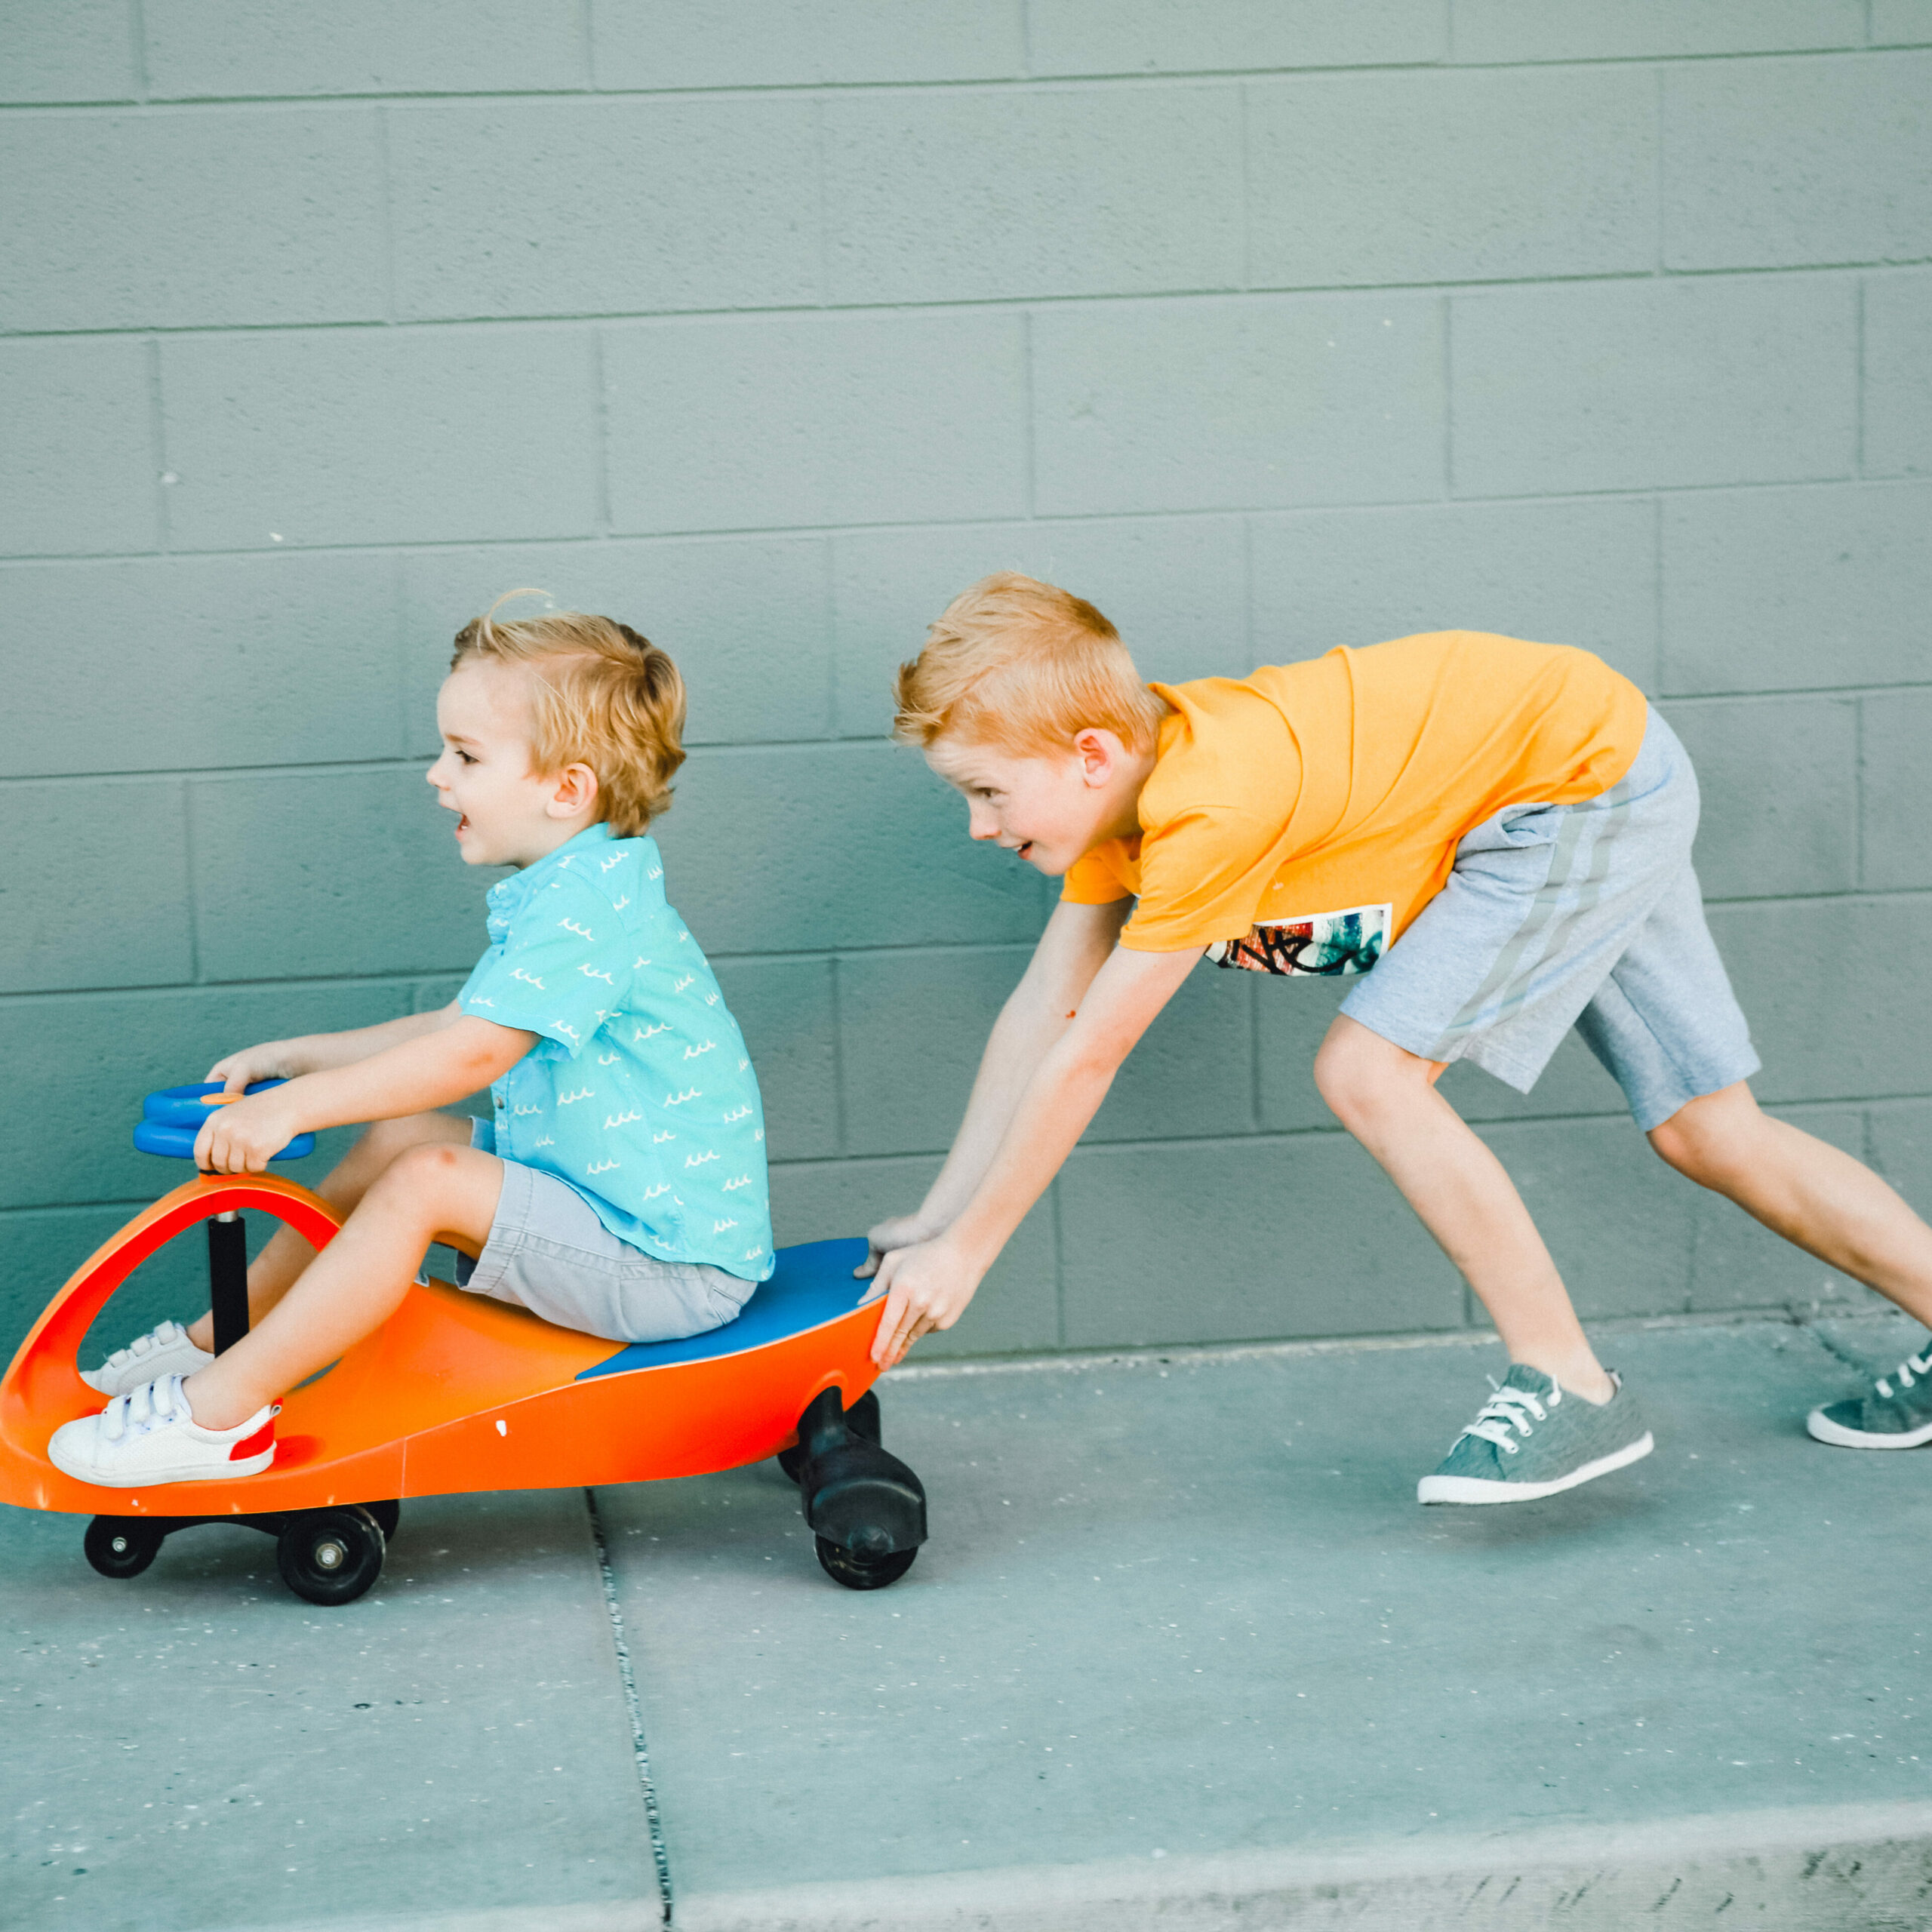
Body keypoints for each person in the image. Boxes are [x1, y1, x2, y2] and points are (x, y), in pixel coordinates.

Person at [858, 573, 1932, 1504]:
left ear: (1091, 754)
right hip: (1595, 760)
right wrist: (941, 1220)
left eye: (986, 791)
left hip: (1574, 789)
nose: (979, 825)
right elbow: (1045, 1013)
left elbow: (1091, 1053)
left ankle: (1569, 1383)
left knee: (1370, 1072)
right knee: (1709, 1132)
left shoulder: (1210, 807)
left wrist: (976, 1252)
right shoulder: (1122, 810)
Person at [53, 595, 773, 1487]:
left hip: (668, 1267)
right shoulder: (577, 891)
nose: (438, 775)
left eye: (466, 756)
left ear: (565, 788)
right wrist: (301, 1058)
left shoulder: (588, 908)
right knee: (402, 1137)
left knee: (428, 1179)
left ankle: (218, 1417)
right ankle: (206, 1350)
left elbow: (472, 1057)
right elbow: (452, 1027)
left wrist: (293, 1109)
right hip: (610, 1218)